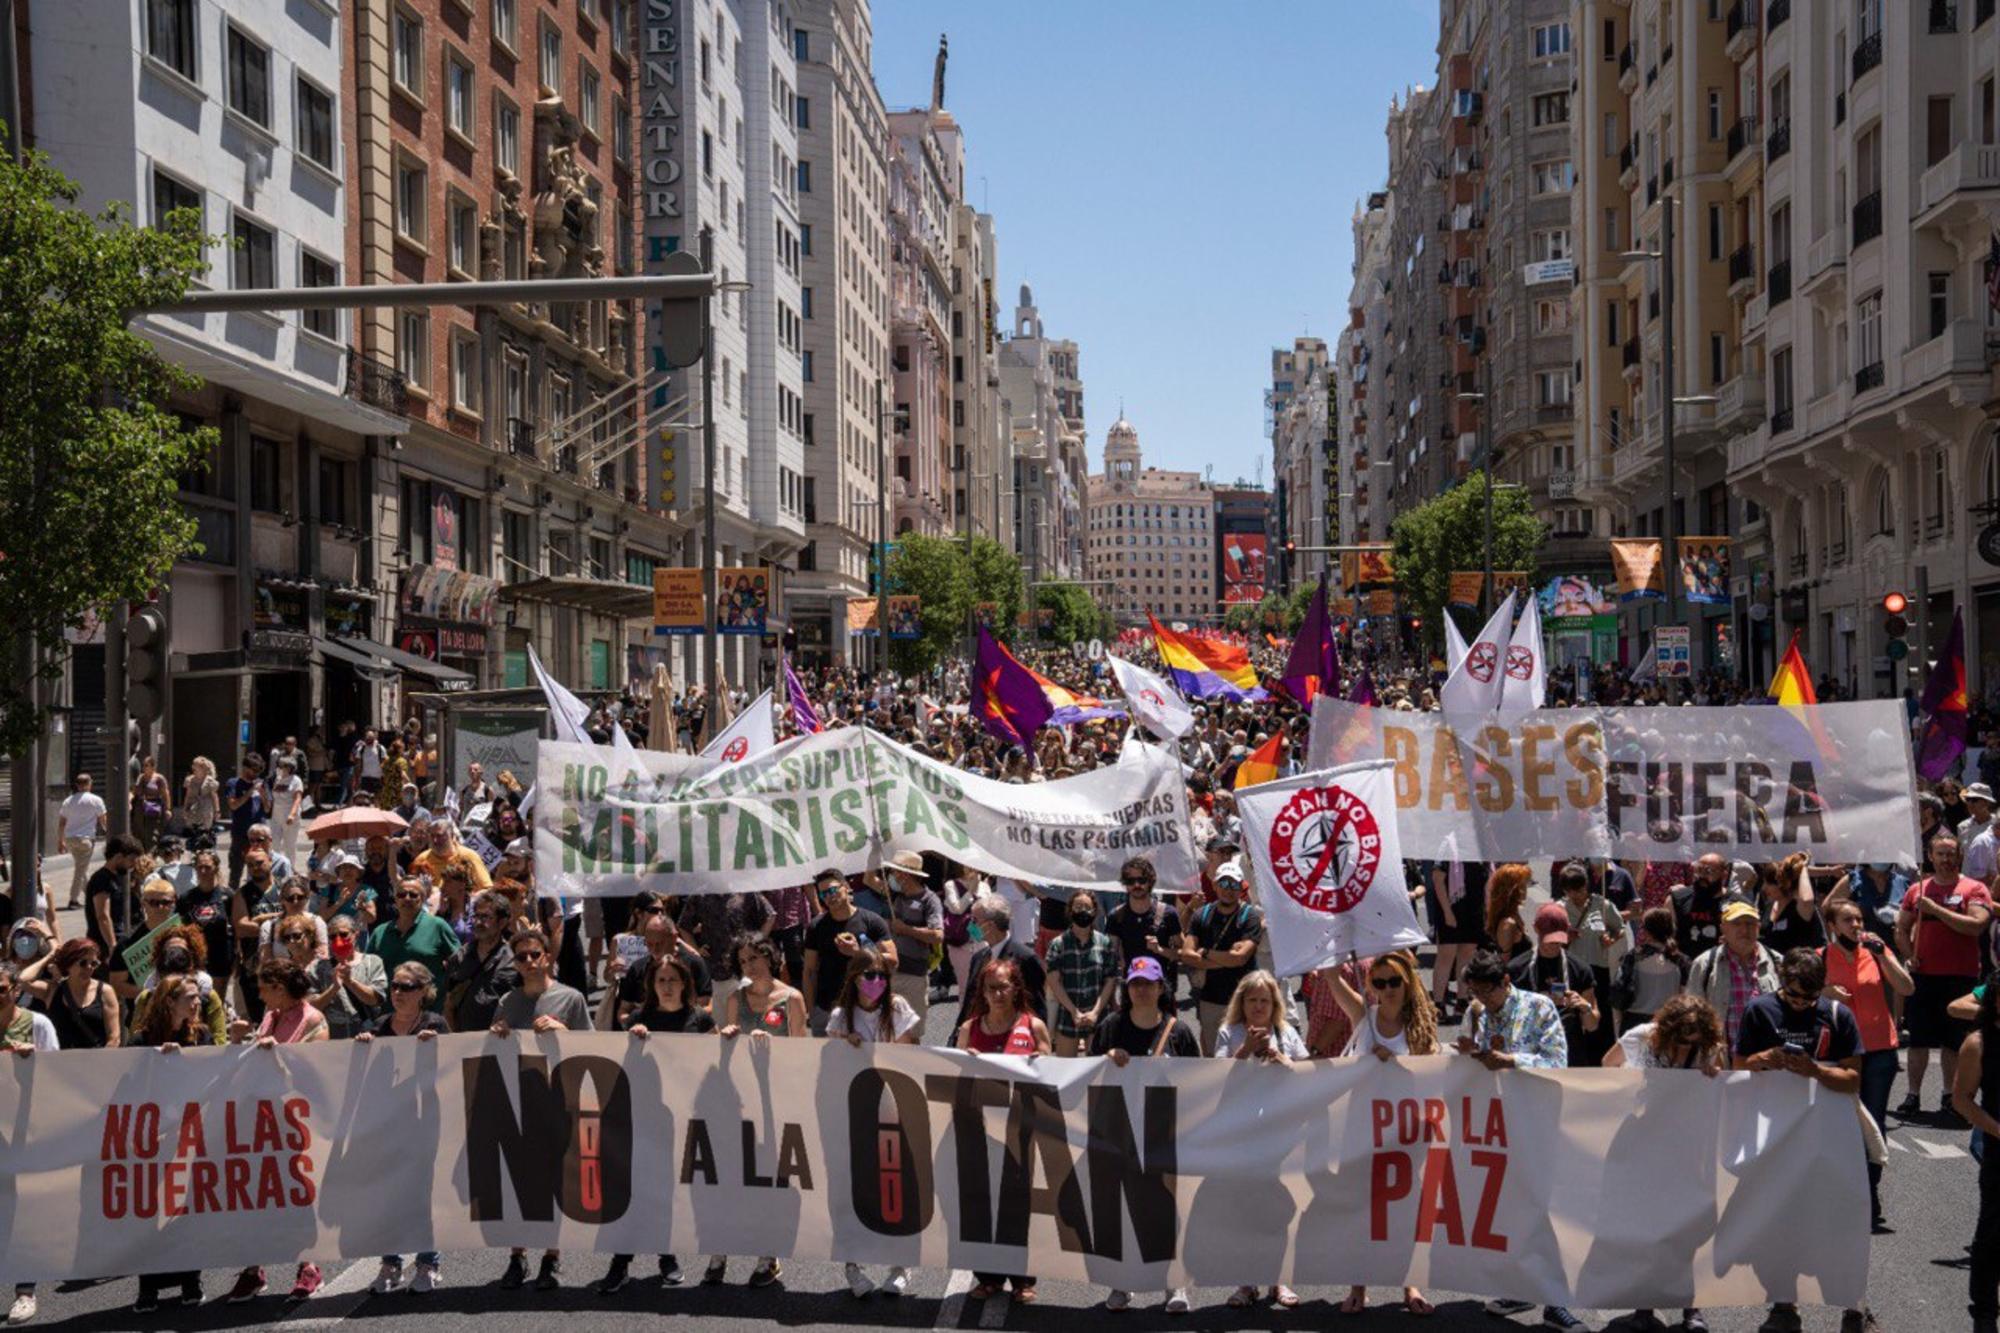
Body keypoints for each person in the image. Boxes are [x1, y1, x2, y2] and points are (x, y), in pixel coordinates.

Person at [1734, 949, 1871, 1333]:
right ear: (1781, 980)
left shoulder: (1838, 1015)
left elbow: (1853, 1078)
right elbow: (1739, 1066)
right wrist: (1764, 1057)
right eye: (1794, 996)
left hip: (1829, 1134)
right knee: (1781, 1216)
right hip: (1777, 1134)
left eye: (1809, 999)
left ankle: (1853, 1305)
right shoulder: (1759, 1011)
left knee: (1839, 1219)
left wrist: (1813, 1071)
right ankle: (1784, 1304)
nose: (1801, 1004)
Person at [1456, 950, 1582, 1330]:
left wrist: (1510, 1061)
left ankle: (1555, 1301)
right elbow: (1479, 1065)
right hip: (1501, 1126)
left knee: (1547, 1213)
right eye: (1474, 992)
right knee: (1511, 1212)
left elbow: (1558, 1061)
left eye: (1487, 992)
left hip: (1541, 1123)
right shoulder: (1479, 1013)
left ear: (1506, 983)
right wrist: (1471, 1056)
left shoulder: (1539, 1007)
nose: (1481, 999)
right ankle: (1521, 1288)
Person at [595, 950, 714, 1295]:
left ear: (685, 983)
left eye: (672, 980)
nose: (666, 986)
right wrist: (633, 1036)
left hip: (684, 1119)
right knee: (631, 1189)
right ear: (652, 985)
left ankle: (667, 1255)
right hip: (641, 1117)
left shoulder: (701, 1021)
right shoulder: (638, 1019)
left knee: (667, 1190)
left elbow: (719, 1063)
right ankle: (621, 1261)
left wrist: (730, 1037)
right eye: (660, 981)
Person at [1090, 955, 1196, 1314]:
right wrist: (1106, 1057)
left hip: (1163, 1133)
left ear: (1161, 988)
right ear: (1127, 987)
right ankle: (1122, 1283)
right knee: (1120, 1208)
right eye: (1135, 983)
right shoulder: (1110, 1027)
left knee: (1164, 1209)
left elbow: (1198, 1080)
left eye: (1148, 983)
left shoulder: (1178, 1032)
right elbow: (1089, 1076)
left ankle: (1174, 1284)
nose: (1141, 990)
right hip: (1119, 1132)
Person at [224, 959, 327, 1302]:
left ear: (279, 989)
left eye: (263, 987)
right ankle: (254, 1270)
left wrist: (279, 1054)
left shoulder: (313, 1020)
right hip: (261, 1120)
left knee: (298, 1196)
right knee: (258, 1194)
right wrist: (240, 1040)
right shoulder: (272, 1016)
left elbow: (315, 1069)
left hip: (295, 1122)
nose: (259, 993)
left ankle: (309, 1267)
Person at [492, 926, 588, 1291]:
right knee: (518, 1184)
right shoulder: (508, 1002)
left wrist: (563, 1029)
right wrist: (497, 1032)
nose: (529, 962)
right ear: (515, 964)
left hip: (558, 1100)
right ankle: (517, 1256)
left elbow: (593, 1049)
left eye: (536, 955)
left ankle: (552, 1256)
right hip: (518, 1100)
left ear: (547, 957)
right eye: (522, 957)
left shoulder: (571, 998)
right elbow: (492, 1054)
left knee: (555, 1183)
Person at [825, 948, 922, 1298]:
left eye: (882, 975)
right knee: (855, 1191)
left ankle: (901, 1264)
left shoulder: (896, 1009)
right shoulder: (840, 1017)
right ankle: (853, 1266)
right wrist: (845, 1045)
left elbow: (910, 1051)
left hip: (894, 1109)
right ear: (853, 977)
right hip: (856, 1115)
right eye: (869, 975)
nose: (876, 982)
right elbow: (831, 1064)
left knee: (895, 1191)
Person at [956, 958, 1049, 1305]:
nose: (997, 993)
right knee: (980, 1201)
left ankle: (1022, 1278)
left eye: (1003, 986)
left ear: (1016, 988)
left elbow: (1050, 1077)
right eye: (990, 987)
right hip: (978, 1130)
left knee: (1017, 1203)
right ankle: (988, 1277)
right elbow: (955, 1080)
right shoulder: (969, 1028)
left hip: (1020, 1129)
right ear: (982, 991)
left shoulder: (1033, 1026)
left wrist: (1039, 1062)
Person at [126, 973, 216, 1313]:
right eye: (189, 998)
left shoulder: (202, 1035)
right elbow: (129, 1089)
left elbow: (215, 1076)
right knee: (152, 1214)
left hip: (190, 1137)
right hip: (153, 1141)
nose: (196, 1004)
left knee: (187, 1211)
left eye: (198, 998)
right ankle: (148, 1286)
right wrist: (157, 1064)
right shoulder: (140, 1042)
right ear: (169, 1002)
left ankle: (191, 1280)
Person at [1822, 897, 1912, 1231]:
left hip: (1878, 1051)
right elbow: (1802, 995)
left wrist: (1881, 956)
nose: (1856, 926)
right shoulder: (1821, 957)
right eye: (1848, 920)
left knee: (1873, 1122)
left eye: (1859, 920)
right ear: (1832, 926)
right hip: (1838, 1054)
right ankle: (1839, 1192)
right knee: (1838, 1123)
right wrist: (1825, 991)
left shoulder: (1877, 951)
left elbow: (1907, 987)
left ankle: (1869, 1192)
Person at [358, 963, 448, 1294]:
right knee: (388, 1196)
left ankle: (428, 1263)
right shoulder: (379, 1026)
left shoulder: (434, 1023)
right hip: (388, 1127)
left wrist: (436, 1047)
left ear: (423, 991)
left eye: (407, 987)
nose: (397, 992)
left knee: (423, 1195)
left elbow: (452, 1070)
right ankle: (391, 1263)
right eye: (395, 985)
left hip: (425, 1124)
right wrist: (363, 1046)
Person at [1897, 834, 1992, 1119]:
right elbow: (1901, 928)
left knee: (1952, 1043)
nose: (1946, 859)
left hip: (1960, 978)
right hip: (1924, 977)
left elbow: (1976, 925)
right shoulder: (1917, 890)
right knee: (1918, 1040)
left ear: (1959, 855)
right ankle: (1912, 1095)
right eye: (1940, 854)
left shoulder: (1973, 888)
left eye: (1951, 854)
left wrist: (1937, 910)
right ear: (1930, 855)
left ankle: (1949, 1097)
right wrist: (1908, 954)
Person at [1181, 859, 1265, 1054]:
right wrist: (1227, 959)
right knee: (1214, 1055)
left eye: (1234, 884)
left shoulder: (1250, 916)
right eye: (1224, 884)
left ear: (1242, 887)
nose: (1229, 889)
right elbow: (1186, 954)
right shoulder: (1201, 915)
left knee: (1251, 1055)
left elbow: (1241, 958)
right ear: (1214, 885)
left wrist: (1206, 952)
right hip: (1211, 998)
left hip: (1246, 999)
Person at [801, 869, 896, 1034]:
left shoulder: (872, 921)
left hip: (865, 1007)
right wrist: (812, 1010)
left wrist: (858, 952)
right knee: (829, 1060)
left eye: (832, 890)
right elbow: (809, 971)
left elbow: (893, 961)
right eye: (823, 894)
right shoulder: (816, 927)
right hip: (827, 1009)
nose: (829, 896)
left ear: (846, 887)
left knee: (864, 1059)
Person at [1508, 902, 1603, 1065]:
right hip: (1529, 1051)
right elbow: (1505, 1017)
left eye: (1559, 941)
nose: (1555, 945)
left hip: (1570, 1052)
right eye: (1549, 940)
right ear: (1536, 929)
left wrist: (1584, 1008)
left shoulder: (1580, 969)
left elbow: (1592, 1025)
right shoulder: (1516, 969)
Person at [1956, 983, 2000, 1333]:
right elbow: (1963, 1099)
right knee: (1992, 1232)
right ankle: (1984, 1312)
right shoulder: (1979, 1044)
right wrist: (1996, 1130)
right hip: (1998, 1150)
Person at [1687, 900, 1780, 1053]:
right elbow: (1692, 1015)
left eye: (1750, 923)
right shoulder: (1704, 964)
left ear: (1758, 927)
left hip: (1767, 1062)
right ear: (1723, 928)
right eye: (1736, 923)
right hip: (1720, 1063)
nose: (1744, 929)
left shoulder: (1778, 962)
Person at [1043, 888, 1120, 1056]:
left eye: (1087, 907)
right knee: (1065, 1070)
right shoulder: (1058, 944)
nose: (1083, 911)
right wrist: (1073, 1011)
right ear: (1070, 910)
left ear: (1095, 911)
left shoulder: (1104, 942)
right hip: (1068, 1013)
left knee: (1096, 1071)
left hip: (1097, 1014)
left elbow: (1110, 979)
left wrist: (1095, 1012)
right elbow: (1054, 981)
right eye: (1078, 907)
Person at [953, 896, 1047, 1031]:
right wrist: (957, 1034)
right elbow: (970, 1001)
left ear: (990, 925)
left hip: (1011, 1037)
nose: (970, 925)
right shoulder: (978, 958)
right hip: (978, 1036)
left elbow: (1037, 1006)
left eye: (974, 920)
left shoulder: (1025, 958)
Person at [367, 877, 461, 1011]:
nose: (407, 898)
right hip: (389, 1014)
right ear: (395, 900)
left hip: (429, 1012)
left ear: (422, 899)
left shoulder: (437, 926)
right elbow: (370, 972)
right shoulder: (380, 932)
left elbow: (459, 963)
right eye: (401, 894)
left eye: (413, 895)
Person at [20, 937, 119, 1050]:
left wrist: (101, 1061)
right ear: (69, 964)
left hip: (95, 1061)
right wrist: (49, 956)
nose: (89, 968)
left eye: (94, 963)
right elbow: (23, 980)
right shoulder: (53, 990)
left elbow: (114, 1037)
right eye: (83, 963)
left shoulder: (105, 991)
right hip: (60, 1062)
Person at [443, 889, 519, 1033]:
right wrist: (454, 1038)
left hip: (504, 1041)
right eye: (475, 916)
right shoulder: (459, 958)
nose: (478, 922)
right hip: (466, 1042)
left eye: (485, 917)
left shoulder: (515, 959)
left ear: (502, 922)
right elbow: (448, 1005)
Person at [1103, 856, 1182, 996]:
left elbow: (1183, 954)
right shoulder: (1116, 916)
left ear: (1150, 882)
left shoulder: (1168, 914)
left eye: (1142, 880)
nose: (1136, 885)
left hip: (1161, 990)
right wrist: (1111, 999)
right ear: (1125, 884)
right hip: (1131, 990)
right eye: (1130, 881)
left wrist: (1160, 950)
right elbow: (1110, 961)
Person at [881, 851, 943, 1020]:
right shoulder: (898, 899)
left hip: (914, 974)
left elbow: (937, 935)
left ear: (905, 875)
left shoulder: (930, 900)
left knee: (912, 1032)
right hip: (893, 971)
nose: (892, 877)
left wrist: (906, 929)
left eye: (894, 872)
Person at [1609, 907, 1689, 1034]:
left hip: (1634, 1024)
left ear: (1647, 931)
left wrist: (1619, 1022)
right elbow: (1685, 997)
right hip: (1668, 1024)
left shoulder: (1633, 957)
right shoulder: (1681, 960)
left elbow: (1619, 990)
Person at [1428, 854, 1489, 1020]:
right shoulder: (1448, 845)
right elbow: (1437, 879)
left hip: (1474, 905)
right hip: (1451, 905)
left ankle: (1462, 1000)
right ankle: (1438, 1003)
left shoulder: (1481, 845)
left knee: (1468, 953)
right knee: (1446, 954)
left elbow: (1488, 875)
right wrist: (1447, 912)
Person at [719, 934, 806, 1044]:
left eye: (753, 958)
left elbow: (800, 1049)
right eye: (743, 962)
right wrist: (728, 1034)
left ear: (768, 958)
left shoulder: (792, 998)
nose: (748, 966)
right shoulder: (734, 1000)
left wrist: (772, 1043)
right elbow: (732, 1045)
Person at [318, 916, 385, 1038]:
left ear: (356, 934)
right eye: (332, 936)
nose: (338, 940)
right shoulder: (318, 967)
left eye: (344, 934)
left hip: (366, 1034)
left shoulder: (372, 962)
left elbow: (375, 999)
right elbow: (311, 1007)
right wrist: (333, 989)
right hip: (332, 1036)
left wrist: (350, 982)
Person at [83, 834, 140, 966]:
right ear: (119, 857)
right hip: (102, 946)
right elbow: (103, 915)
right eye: (131, 860)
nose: (132, 865)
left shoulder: (114, 878)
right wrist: (112, 946)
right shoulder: (103, 879)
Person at [56, 772, 107, 909]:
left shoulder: (68, 801)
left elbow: (61, 823)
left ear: (77, 785)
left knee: (81, 869)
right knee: (80, 870)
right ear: (89, 784)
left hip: (70, 839)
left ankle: (90, 895)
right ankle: (73, 900)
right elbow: (103, 821)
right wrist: (109, 835)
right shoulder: (96, 800)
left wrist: (60, 841)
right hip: (85, 840)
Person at [224, 757, 267, 890]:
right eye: (253, 770)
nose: (255, 774)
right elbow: (233, 805)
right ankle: (233, 897)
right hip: (241, 832)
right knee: (236, 869)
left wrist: (263, 794)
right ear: (245, 767)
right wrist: (249, 792)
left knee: (259, 868)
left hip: (259, 834)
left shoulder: (261, 784)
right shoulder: (233, 783)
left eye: (258, 771)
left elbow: (267, 808)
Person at [1484, 862, 1532, 961]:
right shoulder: (1507, 923)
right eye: (1523, 885)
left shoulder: (1514, 915)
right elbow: (1504, 961)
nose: (1526, 889)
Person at [268, 759, 305, 868]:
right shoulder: (278, 779)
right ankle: (277, 868)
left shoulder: (296, 780)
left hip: (289, 816)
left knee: (289, 845)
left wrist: (292, 814)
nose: (279, 768)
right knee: (274, 843)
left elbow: (298, 798)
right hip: (276, 816)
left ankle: (290, 869)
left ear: (289, 768)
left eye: (281, 766)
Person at [131, 754, 172, 851]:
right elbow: (135, 791)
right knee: (139, 832)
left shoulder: (159, 778)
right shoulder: (141, 777)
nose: (144, 767)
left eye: (146, 765)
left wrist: (167, 809)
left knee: (152, 832)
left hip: (154, 806)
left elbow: (166, 794)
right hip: (141, 806)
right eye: (143, 765)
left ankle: (151, 853)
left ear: (153, 767)